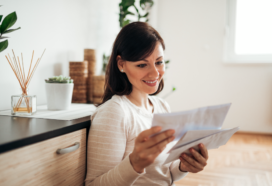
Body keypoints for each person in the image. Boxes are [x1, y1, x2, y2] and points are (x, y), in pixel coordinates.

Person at [85, 22, 209, 186]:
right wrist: (134, 164)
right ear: (121, 64)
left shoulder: (162, 107)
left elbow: (165, 173)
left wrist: (183, 166)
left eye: (159, 62)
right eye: (142, 65)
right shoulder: (115, 112)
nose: (155, 73)